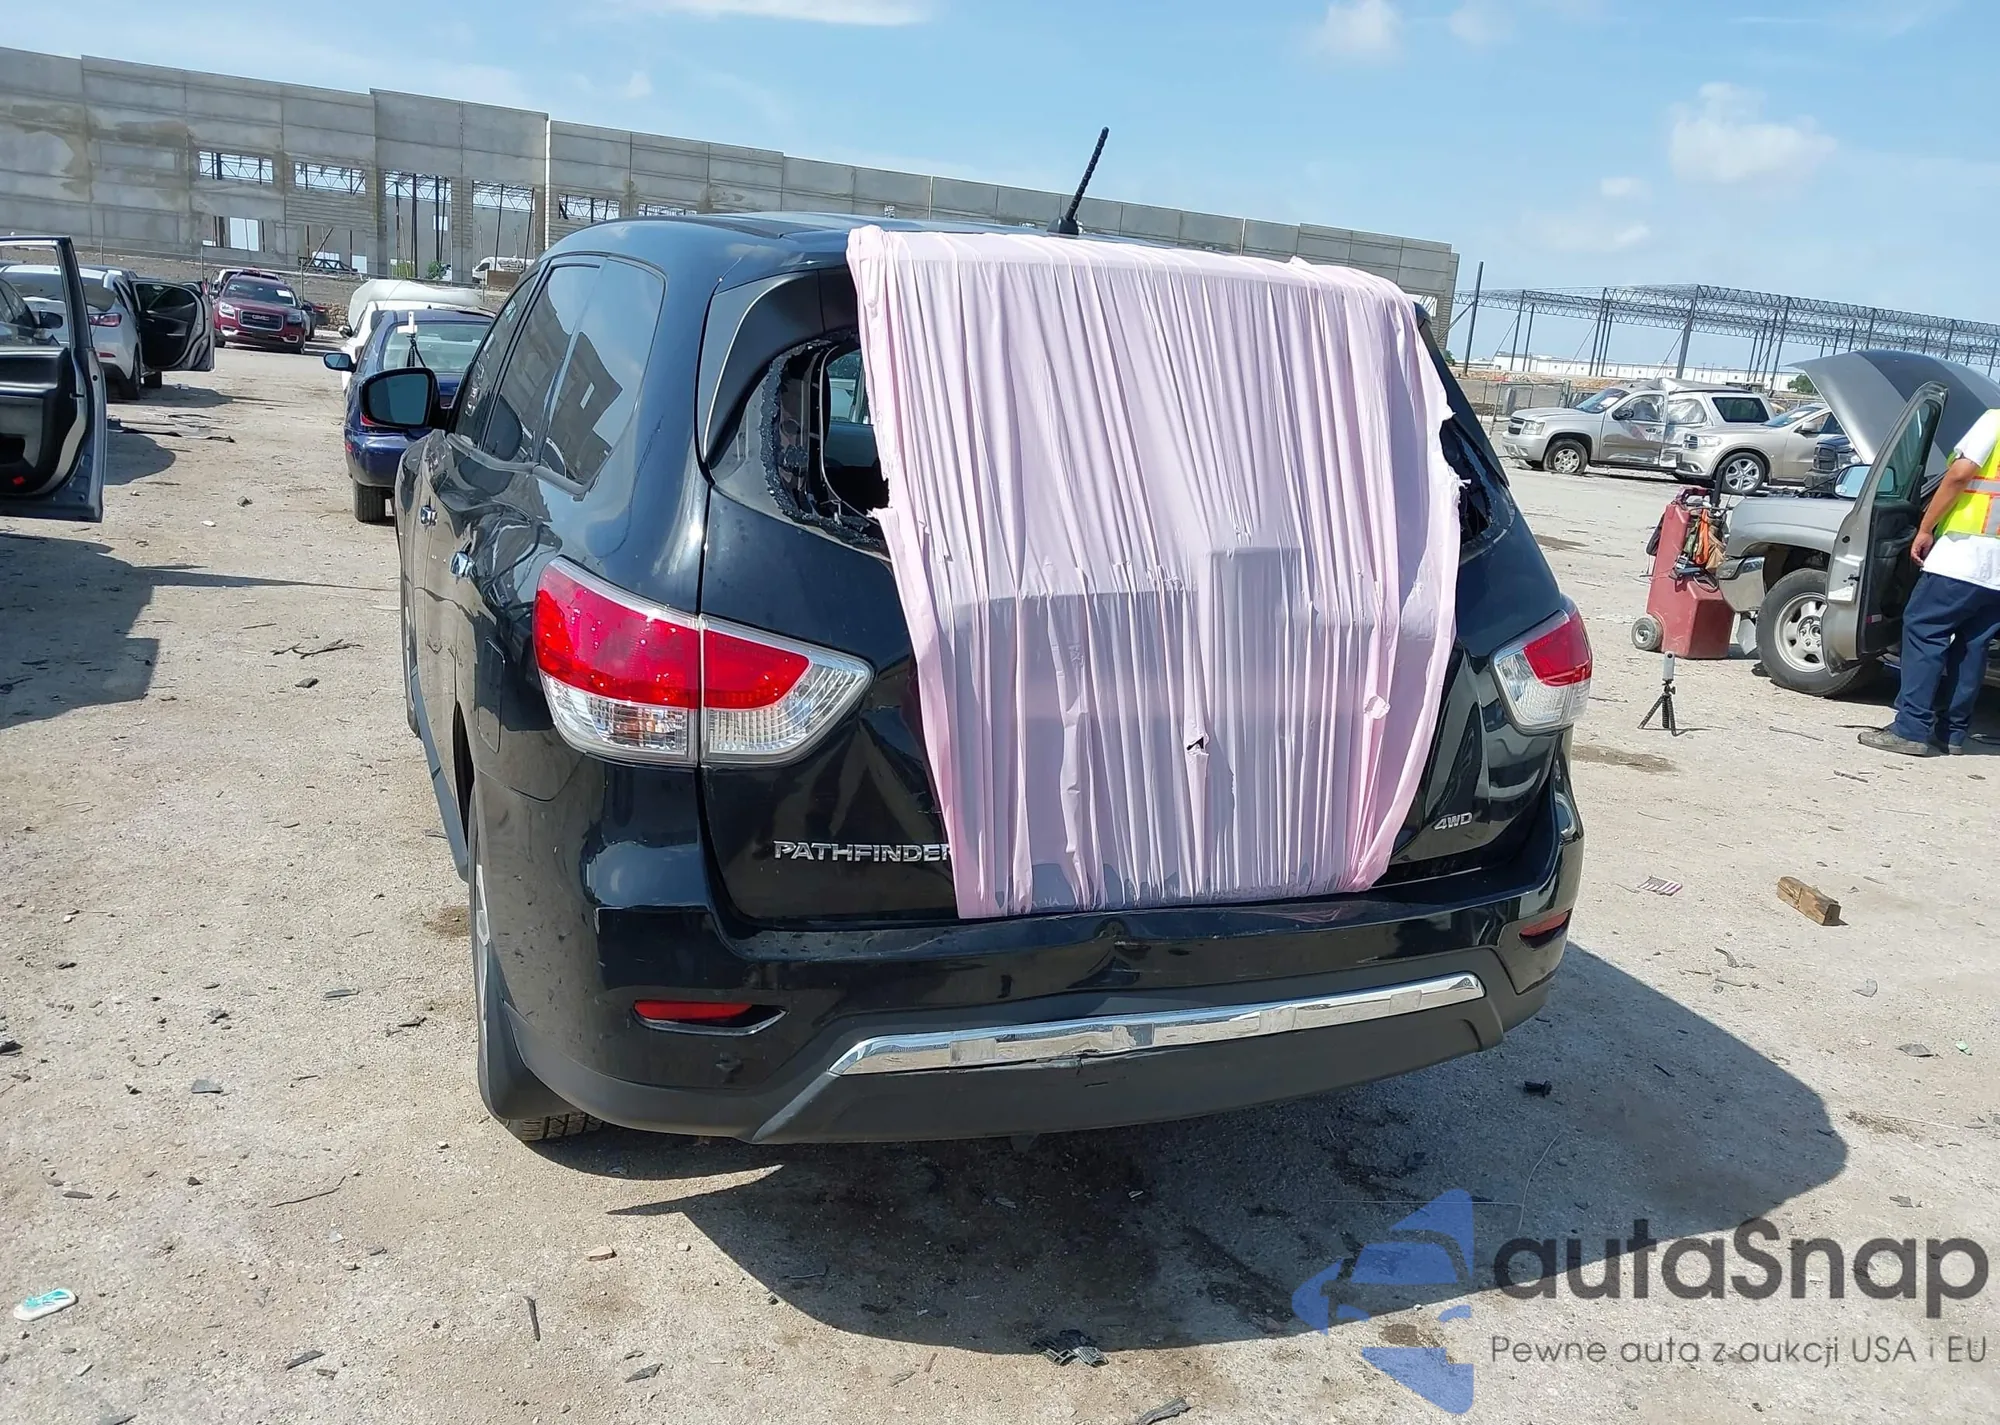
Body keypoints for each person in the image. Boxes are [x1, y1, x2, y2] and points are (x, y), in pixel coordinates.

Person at [1859, 406, 2000, 757]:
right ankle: (1952, 732)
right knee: (1974, 644)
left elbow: (1959, 474)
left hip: (1964, 554)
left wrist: (1925, 526)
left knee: (1924, 629)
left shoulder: (1995, 420)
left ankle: (1911, 728)